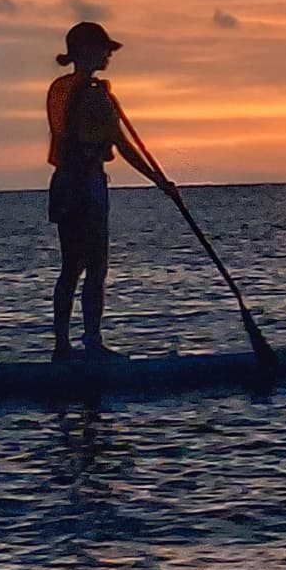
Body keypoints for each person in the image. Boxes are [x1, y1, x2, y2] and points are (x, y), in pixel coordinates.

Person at [47, 20, 177, 360]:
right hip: (86, 186)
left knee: (70, 267)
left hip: (62, 184)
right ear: (88, 51)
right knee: (96, 267)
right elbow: (121, 144)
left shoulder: (60, 87)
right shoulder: (94, 96)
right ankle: (92, 343)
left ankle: (62, 346)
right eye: (104, 49)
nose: (109, 55)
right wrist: (159, 181)